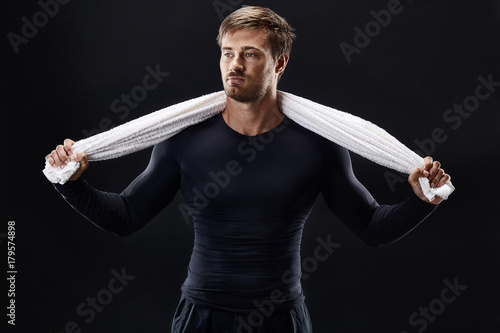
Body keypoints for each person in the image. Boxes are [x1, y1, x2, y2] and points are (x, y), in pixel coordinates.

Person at [46, 6, 451, 333]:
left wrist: (421, 200)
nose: (234, 65)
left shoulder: (318, 144)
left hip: (282, 319)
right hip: (201, 316)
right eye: (228, 52)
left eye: (250, 53)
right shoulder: (183, 139)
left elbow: (372, 227)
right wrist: (72, 184)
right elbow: (126, 217)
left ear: (280, 63)